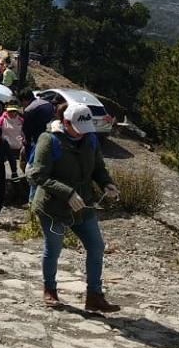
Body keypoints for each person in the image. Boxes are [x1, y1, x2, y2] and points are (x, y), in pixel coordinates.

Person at [26, 102, 120, 311]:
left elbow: (98, 168)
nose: (82, 135)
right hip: (52, 207)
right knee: (54, 249)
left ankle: (94, 296)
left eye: (86, 131)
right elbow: (38, 174)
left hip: (83, 204)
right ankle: (50, 289)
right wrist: (66, 192)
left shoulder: (90, 139)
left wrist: (106, 183)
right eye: (78, 130)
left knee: (96, 247)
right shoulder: (49, 140)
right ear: (66, 123)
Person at [21, 90, 55, 162]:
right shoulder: (47, 103)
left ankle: (30, 163)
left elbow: (26, 130)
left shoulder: (29, 110)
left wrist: (26, 141)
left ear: (24, 100)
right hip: (50, 132)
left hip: (37, 136)